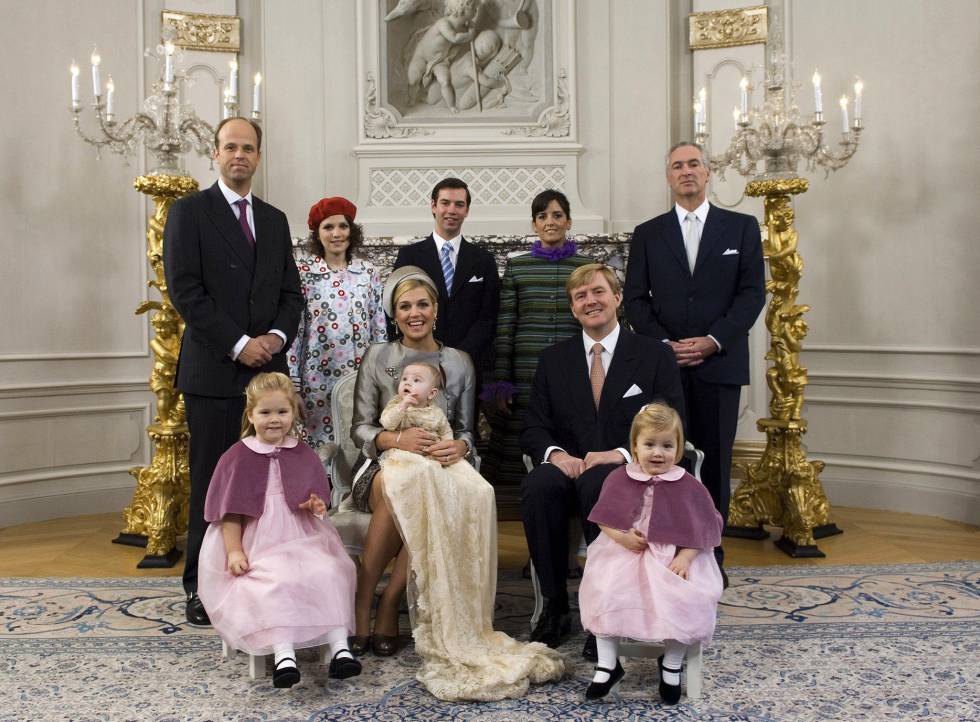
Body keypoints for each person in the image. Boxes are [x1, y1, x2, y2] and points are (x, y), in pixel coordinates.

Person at [348, 266, 562, 701]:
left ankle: (390, 605)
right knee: (400, 487)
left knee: (427, 493)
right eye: (405, 306)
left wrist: (461, 449)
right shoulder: (376, 357)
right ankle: (362, 602)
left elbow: (467, 430)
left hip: (437, 468)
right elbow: (360, 430)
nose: (415, 313)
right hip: (380, 466)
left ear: (436, 309)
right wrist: (397, 438)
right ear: (394, 313)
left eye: (422, 304)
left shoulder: (458, 362)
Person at [164, 116, 303, 627]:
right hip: (214, 373)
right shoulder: (189, 213)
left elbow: (291, 294)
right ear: (216, 155)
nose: (239, 155)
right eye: (230, 147)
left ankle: (263, 576)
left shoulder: (274, 218)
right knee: (213, 480)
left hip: (270, 378)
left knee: (270, 482)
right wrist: (239, 343)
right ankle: (200, 586)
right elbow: (185, 291)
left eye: (248, 148)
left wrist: (275, 339)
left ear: (258, 157)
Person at [520, 263, 686, 660]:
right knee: (538, 487)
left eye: (598, 292)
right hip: (567, 466)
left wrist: (622, 455)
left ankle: (603, 616)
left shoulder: (653, 355)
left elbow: (674, 419)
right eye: (580, 296)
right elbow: (533, 427)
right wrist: (555, 455)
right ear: (573, 308)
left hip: (629, 467)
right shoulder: (553, 360)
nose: (590, 301)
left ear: (616, 298)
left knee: (601, 484)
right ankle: (555, 605)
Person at [624, 140, 765, 582]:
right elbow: (634, 300)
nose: (686, 172)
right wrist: (665, 345)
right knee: (668, 463)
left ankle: (711, 558)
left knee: (717, 463)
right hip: (665, 369)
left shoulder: (741, 228)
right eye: (677, 166)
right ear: (668, 177)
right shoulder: (648, 233)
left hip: (719, 365)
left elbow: (751, 295)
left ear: (708, 173)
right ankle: (666, 555)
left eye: (694, 165)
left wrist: (712, 340)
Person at [197, 372, 361, 687]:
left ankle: (341, 649)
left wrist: (316, 504)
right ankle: (284, 654)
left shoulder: (301, 452)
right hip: (258, 541)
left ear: (294, 413)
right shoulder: (237, 456)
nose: (275, 420)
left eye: (282, 412)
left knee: (330, 570)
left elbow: (314, 498)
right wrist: (234, 550)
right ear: (251, 415)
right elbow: (229, 513)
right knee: (276, 580)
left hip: (302, 536)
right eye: (266, 413)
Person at [578, 402, 724, 703]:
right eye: (649, 445)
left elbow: (703, 528)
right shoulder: (619, 477)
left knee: (683, 597)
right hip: (624, 550)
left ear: (679, 448)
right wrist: (622, 536)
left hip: (673, 556)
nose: (658, 453)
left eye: (667, 446)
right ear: (634, 446)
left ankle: (671, 665)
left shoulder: (687, 484)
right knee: (604, 589)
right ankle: (608, 664)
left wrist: (685, 557)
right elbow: (604, 518)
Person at [483, 189, 592, 487]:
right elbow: (506, 325)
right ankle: (518, 495)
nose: (550, 222)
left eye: (557, 215)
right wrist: (503, 380)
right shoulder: (518, 267)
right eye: (543, 216)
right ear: (534, 224)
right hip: (526, 367)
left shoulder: (585, 267)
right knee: (524, 427)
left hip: (573, 367)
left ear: (569, 221)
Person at [287, 196, 386, 453]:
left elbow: (379, 327)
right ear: (317, 234)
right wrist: (293, 384)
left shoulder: (367, 272)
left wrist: (383, 376)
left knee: (359, 443)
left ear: (351, 230)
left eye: (342, 226)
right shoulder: (303, 273)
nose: (336, 234)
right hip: (317, 379)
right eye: (328, 227)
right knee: (321, 450)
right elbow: (295, 331)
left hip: (362, 377)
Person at [391, 177, 500, 390]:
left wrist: (458, 357)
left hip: (467, 366)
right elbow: (396, 311)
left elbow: (488, 317)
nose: (452, 210)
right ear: (433, 206)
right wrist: (419, 354)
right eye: (445, 203)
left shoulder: (484, 260)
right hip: (418, 366)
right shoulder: (409, 256)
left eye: (459, 204)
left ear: (467, 210)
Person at [405, 0, 478, 111]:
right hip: (422, 56)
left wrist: (469, 32)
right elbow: (454, 38)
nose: (476, 10)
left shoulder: (463, 28)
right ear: (462, 8)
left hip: (438, 60)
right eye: (474, 7)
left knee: (445, 81)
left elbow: (460, 41)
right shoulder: (444, 23)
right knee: (413, 78)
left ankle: (452, 106)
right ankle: (411, 98)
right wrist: (470, 34)